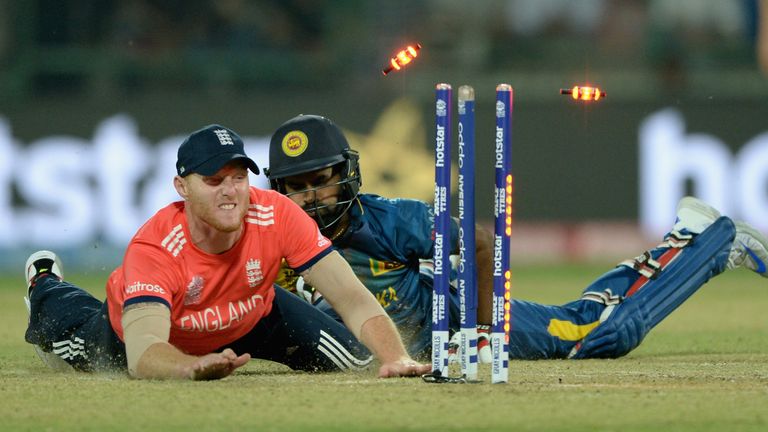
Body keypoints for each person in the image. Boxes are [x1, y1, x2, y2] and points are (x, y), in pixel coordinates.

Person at [264, 114, 768, 361]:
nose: (312, 197)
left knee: (598, 332)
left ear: (346, 176)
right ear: (278, 191)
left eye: (322, 180)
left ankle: (704, 237)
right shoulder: (271, 235)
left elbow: (480, 243)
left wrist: (479, 334)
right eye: (298, 187)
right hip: (404, 342)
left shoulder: (390, 221)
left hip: (461, 318)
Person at [23, 124, 431, 380]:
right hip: (141, 335)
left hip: (256, 317)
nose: (230, 191)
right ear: (182, 187)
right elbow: (144, 353)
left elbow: (352, 298)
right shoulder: (154, 248)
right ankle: (45, 283)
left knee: (362, 362)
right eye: (213, 180)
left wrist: (397, 357)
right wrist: (189, 365)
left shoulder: (277, 214)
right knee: (72, 338)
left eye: (237, 178)